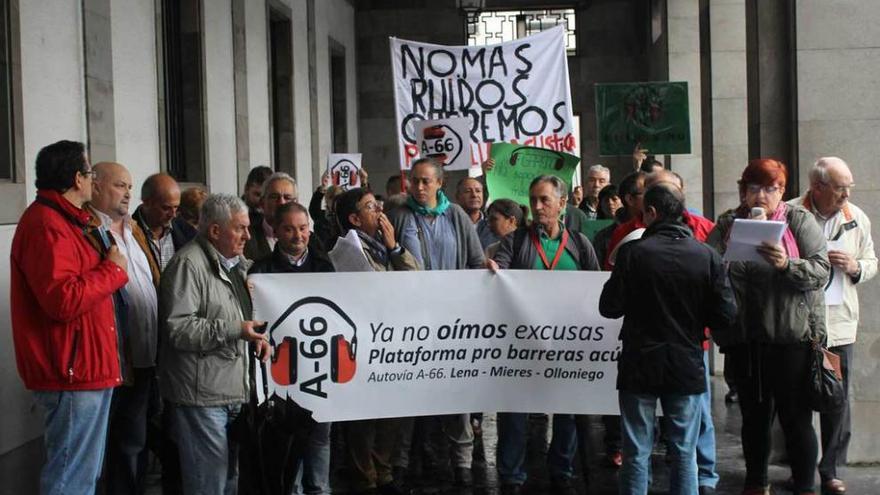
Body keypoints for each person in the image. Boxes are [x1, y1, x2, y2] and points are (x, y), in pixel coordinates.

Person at [599, 183, 737, 495]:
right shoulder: (707, 256)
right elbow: (726, 315)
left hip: (639, 362)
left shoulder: (633, 254)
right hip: (686, 363)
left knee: (636, 450)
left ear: (651, 212)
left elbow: (608, 307)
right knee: (685, 452)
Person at [10, 140, 129, 495]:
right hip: (71, 370)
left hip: (85, 367)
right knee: (69, 478)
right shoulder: (47, 224)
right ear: (77, 178)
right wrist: (112, 271)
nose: (94, 180)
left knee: (81, 475)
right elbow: (62, 300)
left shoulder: (68, 220)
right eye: (91, 173)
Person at [706, 158, 830, 495]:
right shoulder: (729, 224)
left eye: (770, 188)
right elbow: (708, 267)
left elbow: (822, 271)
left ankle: (805, 486)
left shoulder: (798, 221)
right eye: (754, 188)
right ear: (743, 191)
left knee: (795, 418)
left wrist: (787, 264)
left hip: (791, 337)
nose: (762, 195)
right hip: (744, 339)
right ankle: (756, 482)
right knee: (754, 417)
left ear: (782, 191)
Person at [487, 175, 600, 495]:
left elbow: (595, 291)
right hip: (522, 346)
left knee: (567, 410)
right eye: (533, 200)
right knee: (514, 411)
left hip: (568, 346)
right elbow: (501, 272)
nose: (536, 207)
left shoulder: (579, 245)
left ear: (563, 203)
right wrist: (494, 272)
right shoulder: (516, 241)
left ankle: (562, 469)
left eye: (544, 200)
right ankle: (511, 475)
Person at [158, 194, 271, 495]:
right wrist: (236, 330)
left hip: (232, 391)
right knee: (208, 484)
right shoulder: (188, 265)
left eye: (248, 228)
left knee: (229, 479)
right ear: (215, 231)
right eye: (240, 228)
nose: (248, 235)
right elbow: (178, 329)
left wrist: (258, 338)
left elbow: (245, 319)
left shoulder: (237, 266)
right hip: (201, 397)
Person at [388, 157, 484, 486]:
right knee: (407, 394)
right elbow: (389, 261)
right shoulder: (399, 214)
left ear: (440, 183)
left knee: (455, 391)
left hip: (450, 321)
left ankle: (462, 464)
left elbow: (474, 261)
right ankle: (399, 463)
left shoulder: (456, 215)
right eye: (414, 181)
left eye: (426, 181)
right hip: (410, 321)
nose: (419, 187)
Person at [787, 157, 877, 495]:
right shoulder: (791, 212)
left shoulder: (856, 219)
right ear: (818, 187)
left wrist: (855, 266)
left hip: (838, 325)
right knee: (795, 400)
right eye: (841, 188)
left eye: (849, 187)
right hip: (798, 322)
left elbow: (871, 262)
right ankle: (802, 471)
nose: (847, 194)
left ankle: (832, 470)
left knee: (836, 399)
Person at [335, 188, 418, 495]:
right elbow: (375, 288)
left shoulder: (386, 245)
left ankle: (382, 469)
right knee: (362, 416)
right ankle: (363, 475)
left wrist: (395, 247)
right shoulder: (346, 250)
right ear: (355, 219)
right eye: (370, 207)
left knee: (391, 411)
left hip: (391, 341)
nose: (379, 210)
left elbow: (415, 277)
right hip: (361, 343)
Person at [249, 201, 334, 495]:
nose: (298, 235)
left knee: (320, 437)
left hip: (320, 367)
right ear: (276, 230)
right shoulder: (261, 270)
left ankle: (320, 490)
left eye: (302, 228)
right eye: (289, 229)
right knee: (287, 440)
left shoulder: (325, 267)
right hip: (281, 372)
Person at [87, 162, 161, 495]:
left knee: (138, 441)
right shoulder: (89, 232)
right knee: (116, 447)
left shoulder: (133, 230)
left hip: (146, 356)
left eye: (130, 186)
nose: (128, 193)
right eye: (120, 185)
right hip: (113, 359)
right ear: (95, 186)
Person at [133, 173, 195, 271]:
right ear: (147, 203)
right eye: (166, 208)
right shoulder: (128, 233)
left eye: (176, 207)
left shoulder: (186, 231)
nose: (173, 214)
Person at [244, 171, 298, 261]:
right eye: (274, 197)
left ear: (296, 204)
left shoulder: (309, 240)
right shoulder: (246, 239)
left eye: (287, 198)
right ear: (262, 203)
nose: (281, 203)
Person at [456, 176, 498, 249]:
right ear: (457, 197)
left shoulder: (494, 224)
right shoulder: (450, 224)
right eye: (468, 191)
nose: (474, 195)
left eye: (478, 191)